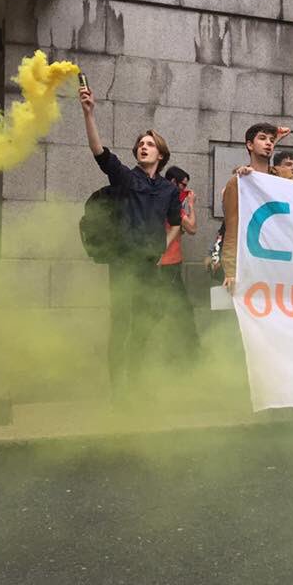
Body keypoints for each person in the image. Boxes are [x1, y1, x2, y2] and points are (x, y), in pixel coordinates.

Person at [79, 84, 182, 396]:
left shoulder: (168, 189)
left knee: (144, 324)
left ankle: (135, 383)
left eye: (150, 144)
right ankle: (118, 391)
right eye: (140, 144)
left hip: (149, 265)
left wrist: (162, 245)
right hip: (123, 262)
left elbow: (176, 222)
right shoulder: (126, 178)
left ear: (160, 154)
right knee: (121, 323)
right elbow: (99, 152)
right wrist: (89, 113)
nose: (143, 147)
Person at [221, 123, 289, 294]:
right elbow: (232, 227)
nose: (269, 143)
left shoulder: (282, 179)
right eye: (262, 138)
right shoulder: (238, 183)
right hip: (251, 260)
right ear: (249, 145)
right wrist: (230, 270)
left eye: (272, 140)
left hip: (280, 261)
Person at [160, 166, 200, 365]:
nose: (185, 188)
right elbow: (192, 227)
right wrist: (191, 204)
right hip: (168, 266)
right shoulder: (171, 201)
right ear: (174, 182)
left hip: (163, 265)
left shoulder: (158, 196)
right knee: (181, 313)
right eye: (183, 184)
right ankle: (188, 357)